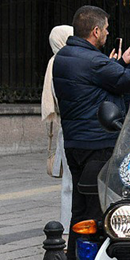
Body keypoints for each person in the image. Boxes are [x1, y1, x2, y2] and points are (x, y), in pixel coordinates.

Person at [53, 6, 130, 260]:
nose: (108, 33)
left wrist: (120, 62)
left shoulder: (66, 57)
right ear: (95, 31)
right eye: (106, 29)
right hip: (98, 143)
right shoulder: (92, 61)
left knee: (80, 209)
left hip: (76, 143)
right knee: (97, 211)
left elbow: (98, 85)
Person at [41, 25, 74, 236]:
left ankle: (67, 230)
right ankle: (68, 231)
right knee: (70, 186)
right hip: (71, 128)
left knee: (68, 186)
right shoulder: (61, 64)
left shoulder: (56, 62)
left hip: (67, 128)